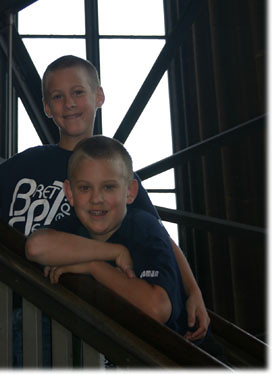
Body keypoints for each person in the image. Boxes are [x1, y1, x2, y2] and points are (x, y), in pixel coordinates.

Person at [0, 55, 209, 363]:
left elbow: (159, 237)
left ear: (99, 96)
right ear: (46, 107)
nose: (69, 103)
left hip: (74, 311)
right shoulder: (27, 162)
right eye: (58, 96)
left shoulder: (115, 175)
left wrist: (192, 291)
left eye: (78, 92)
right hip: (10, 302)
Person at [25, 136, 224, 364]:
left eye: (108, 187)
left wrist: (93, 266)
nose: (96, 199)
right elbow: (35, 246)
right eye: (84, 188)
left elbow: (156, 308)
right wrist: (113, 252)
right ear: (69, 193)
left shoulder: (143, 227)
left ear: (130, 192)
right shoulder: (74, 227)